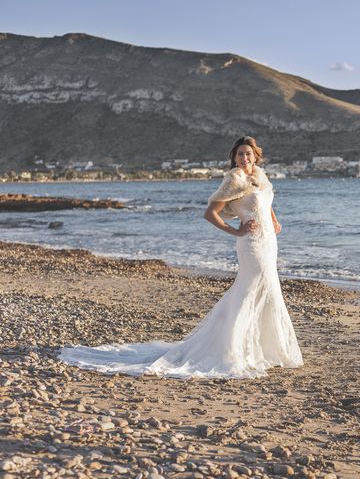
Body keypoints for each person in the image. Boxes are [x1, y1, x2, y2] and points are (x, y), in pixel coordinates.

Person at [59, 136, 303, 378]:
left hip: (270, 241)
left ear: (256, 155)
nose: (244, 157)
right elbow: (210, 213)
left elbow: (265, 201)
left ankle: (267, 349)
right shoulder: (233, 180)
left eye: (248, 153)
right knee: (249, 289)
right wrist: (235, 231)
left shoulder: (260, 177)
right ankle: (233, 349)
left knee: (269, 289)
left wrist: (274, 220)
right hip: (251, 244)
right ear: (234, 158)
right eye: (240, 154)